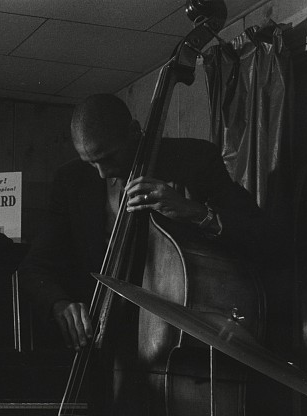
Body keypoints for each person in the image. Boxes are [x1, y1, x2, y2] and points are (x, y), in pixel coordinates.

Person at [18, 93, 280, 351]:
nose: (102, 173)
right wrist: (59, 303)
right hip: (105, 339)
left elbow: (262, 236)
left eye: (109, 157)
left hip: (181, 339)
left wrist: (192, 211)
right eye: (91, 163)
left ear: (134, 131)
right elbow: (35, 267)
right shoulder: (71, 180)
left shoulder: (196, 158)